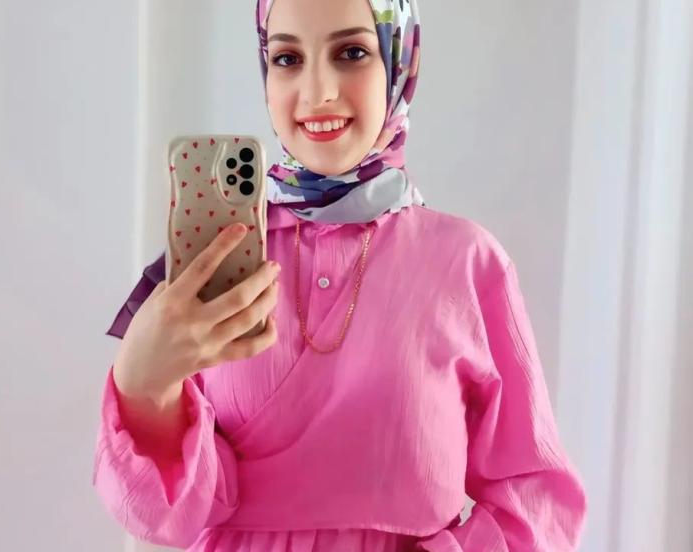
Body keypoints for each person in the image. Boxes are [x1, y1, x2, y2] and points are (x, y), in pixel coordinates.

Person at [92, 0, 588, 550]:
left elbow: (536, 498)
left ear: (399, 61)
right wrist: (144, 386)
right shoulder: (223, 258)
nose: (317, 92)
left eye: (351, 53)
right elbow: (165, 514)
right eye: (287, 59)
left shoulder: (466, 263)